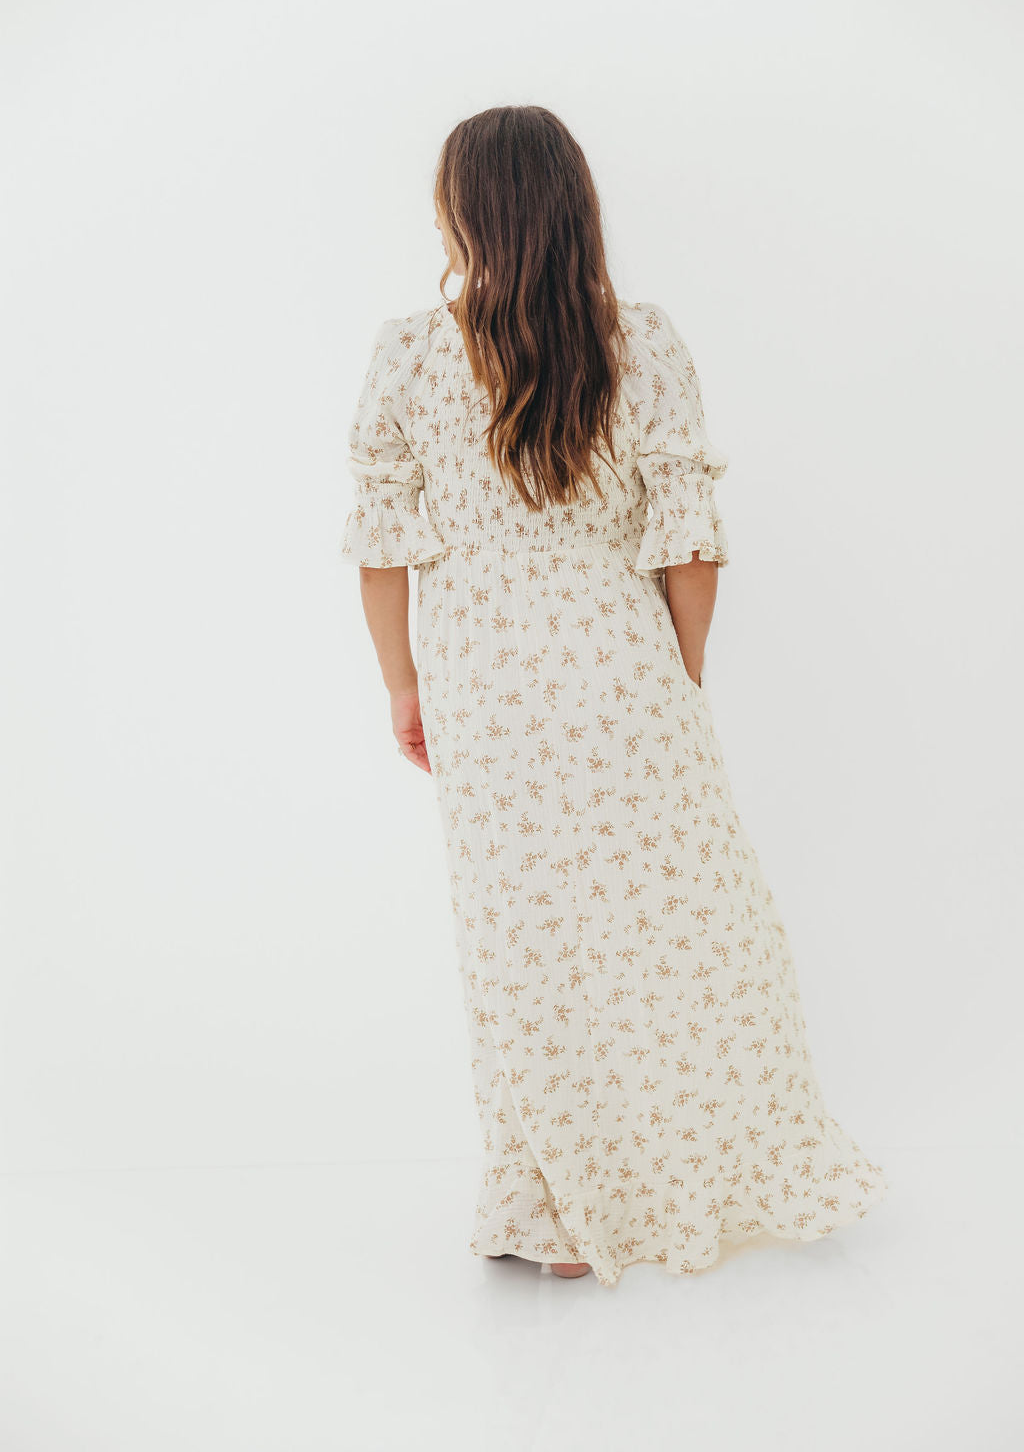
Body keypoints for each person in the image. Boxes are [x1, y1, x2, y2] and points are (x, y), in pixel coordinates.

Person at [339, 105, 888, 1287]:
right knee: (669, 933)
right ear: (573, 203)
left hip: (483, 681)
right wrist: (676, 676)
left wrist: (402, 686)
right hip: (621, 668)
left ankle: (546, 1202)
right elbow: (686, 539)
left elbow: (382, 549)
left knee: (520, 944)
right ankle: (658, 1181)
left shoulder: (410, 354)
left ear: (460, 212)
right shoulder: (641, 342)